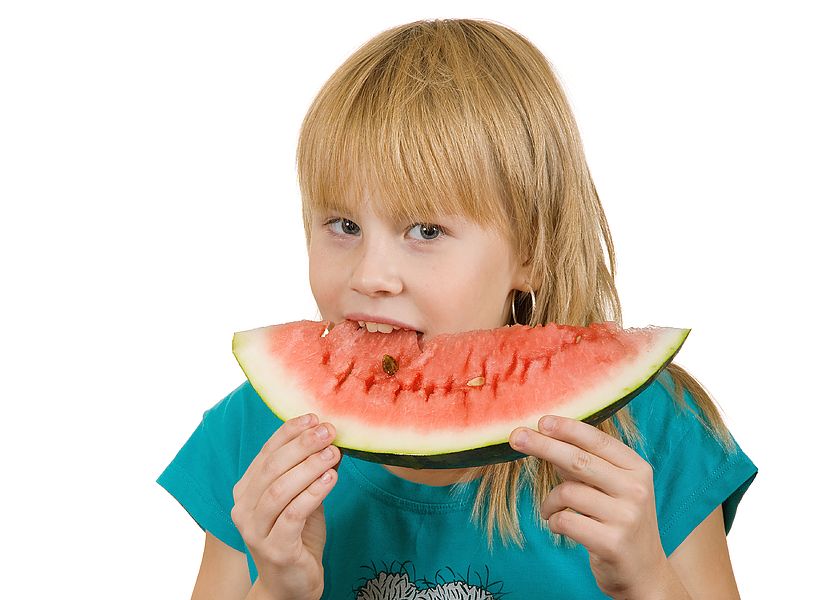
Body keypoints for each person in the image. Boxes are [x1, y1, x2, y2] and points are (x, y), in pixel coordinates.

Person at [157, 18, 758, 600]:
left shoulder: (658, 431)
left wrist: (647, 583)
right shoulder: (253, 433)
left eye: (425, 230)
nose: (371, 275)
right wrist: (279, 590)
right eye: (343, 225)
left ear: (531, 250)